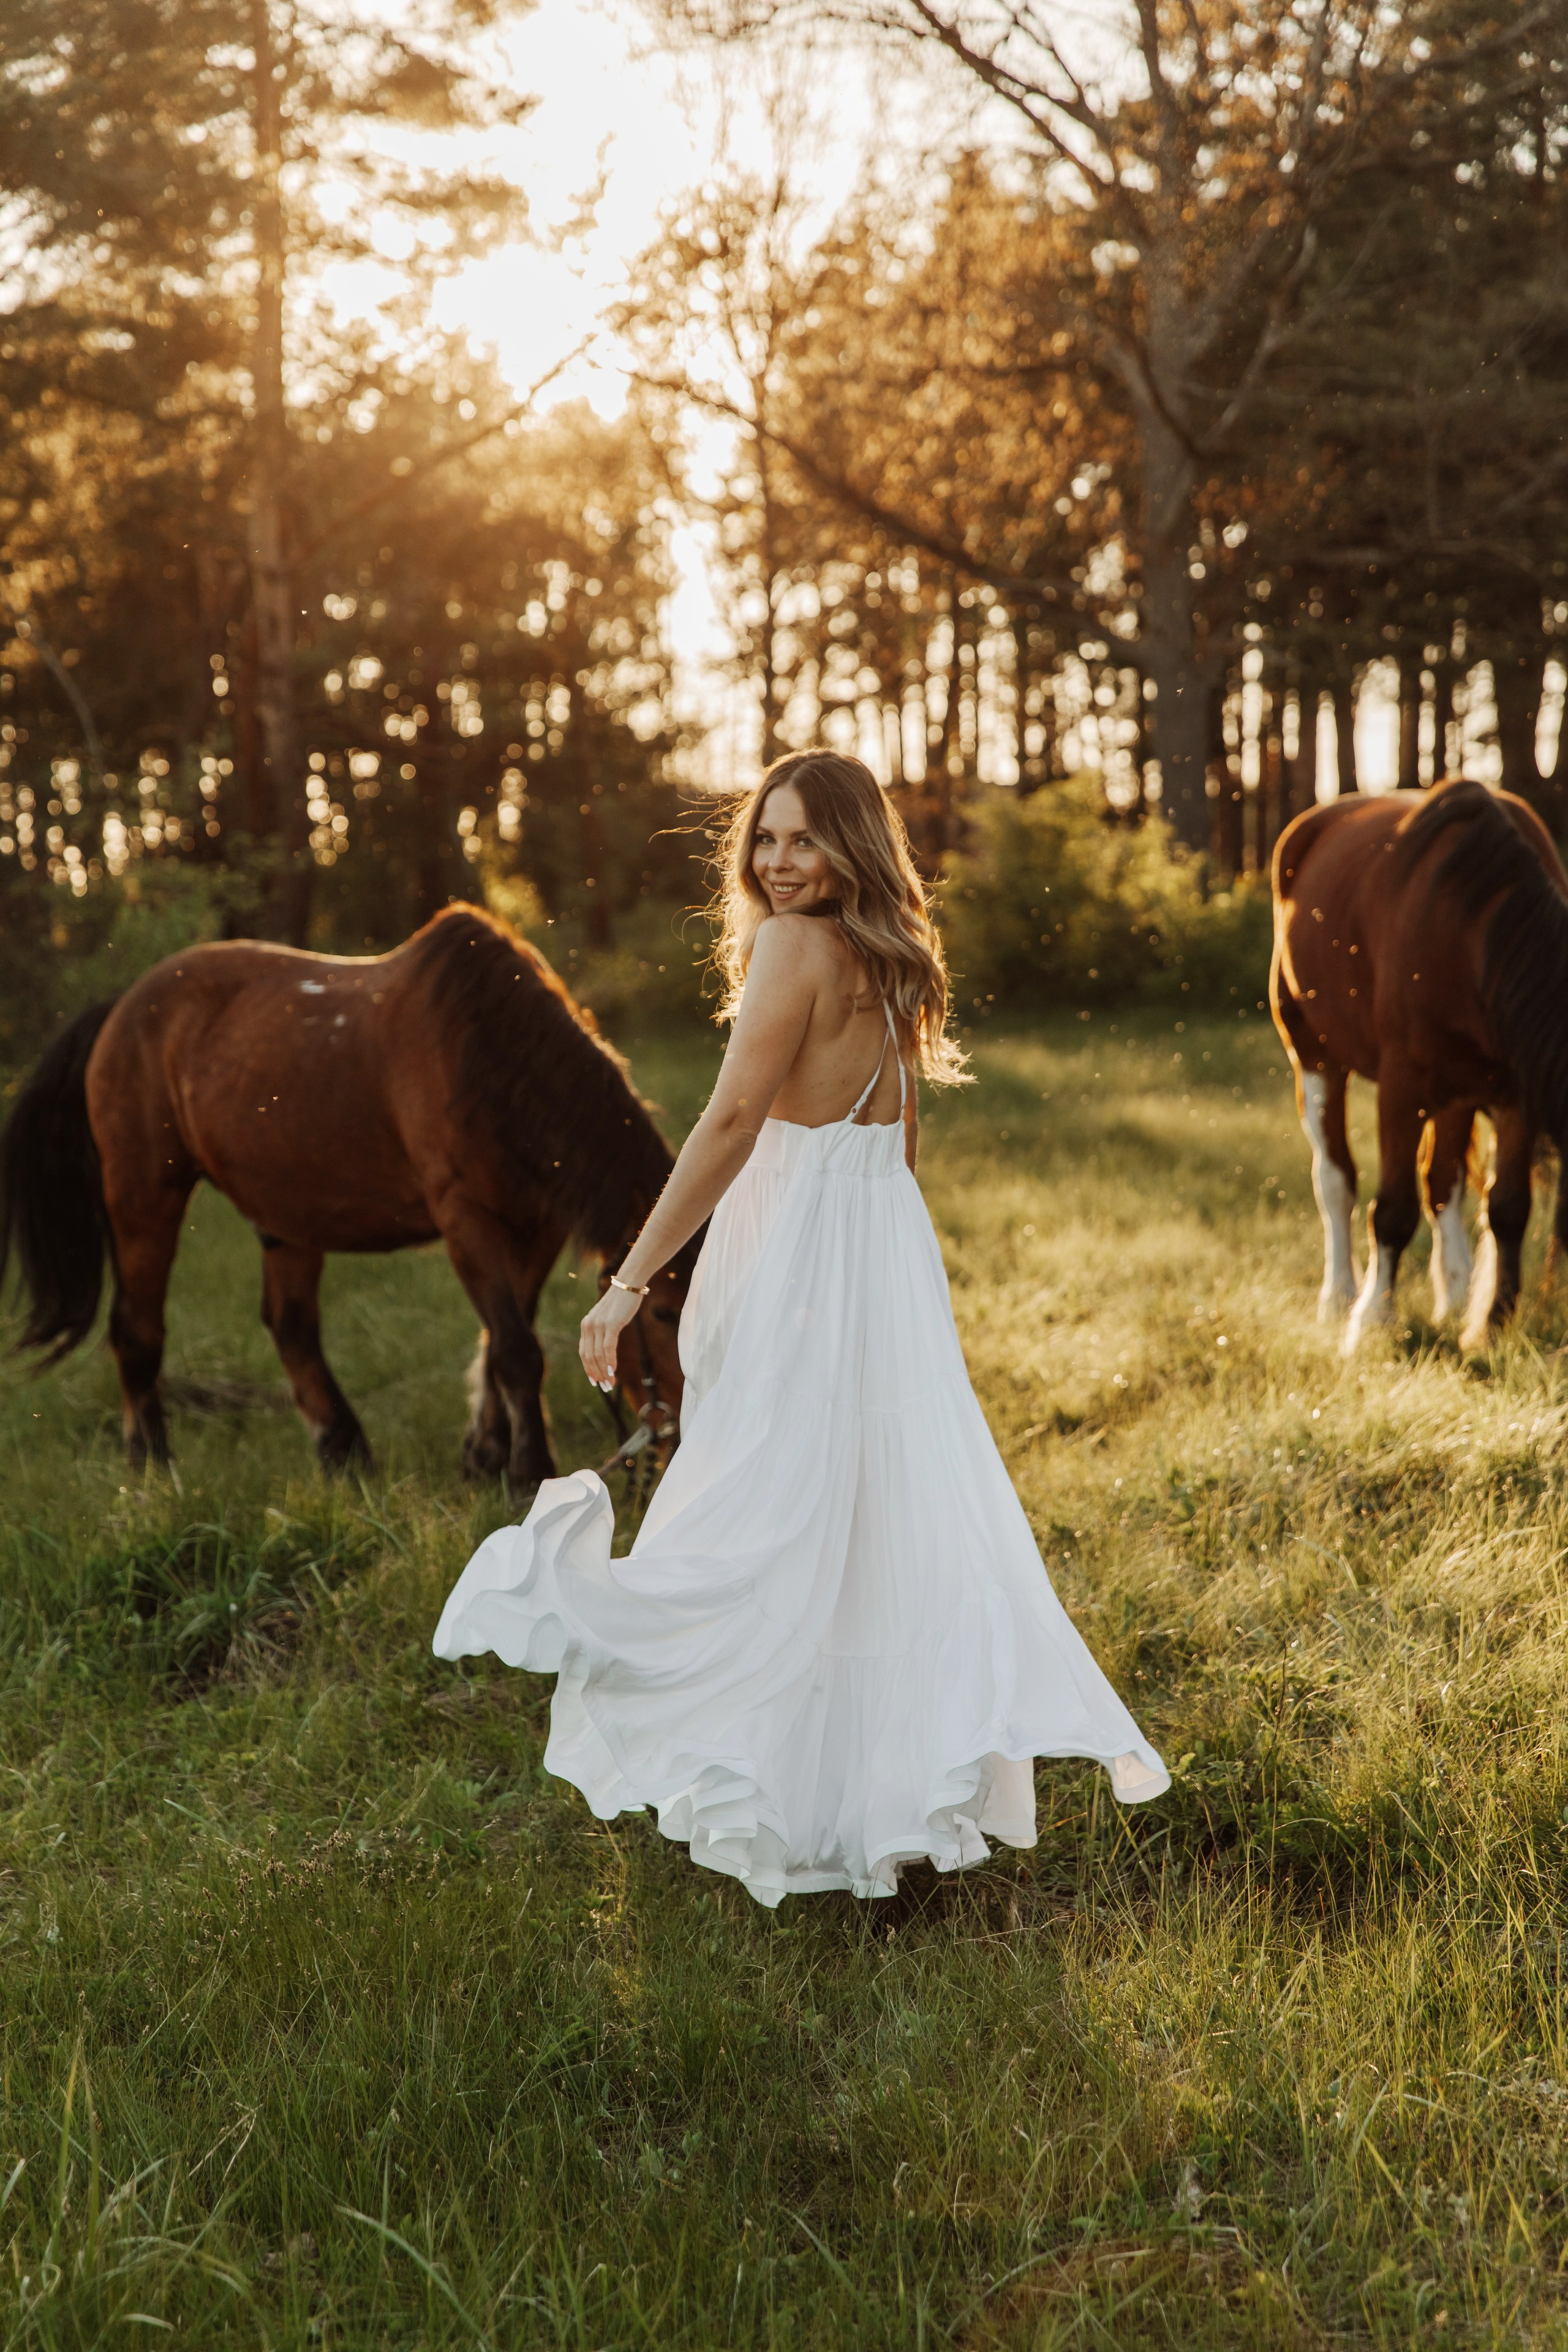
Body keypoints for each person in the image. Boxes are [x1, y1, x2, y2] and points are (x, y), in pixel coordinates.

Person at [432, 749, 1167, 1905]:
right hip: (879, 1244)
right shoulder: (894, 954)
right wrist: (888, 1267)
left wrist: (630, 1282)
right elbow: (902, 1133)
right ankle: (879, 1805)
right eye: (764, 840)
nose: (778, 864)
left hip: (811, 1242)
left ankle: (755, 1750)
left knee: (768, 1505)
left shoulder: (792, 948)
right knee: (872, 1516)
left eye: (803, 841)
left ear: (851, 848)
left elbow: (730, 1120)